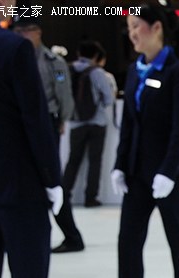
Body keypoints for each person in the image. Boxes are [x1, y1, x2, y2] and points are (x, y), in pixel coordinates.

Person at [104, 1, 179, 278]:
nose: (131, 34)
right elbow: (129, 124)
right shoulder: (134, 70)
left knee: (177, 240)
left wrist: (168, 171)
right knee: (127, 244)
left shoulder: (177, 73)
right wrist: (119, 165)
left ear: (156, 28)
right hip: (136, 175)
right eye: (128, 28)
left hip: (168, 176)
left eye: (136, 27)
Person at [0, 0, 63, 278]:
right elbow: (35, 119)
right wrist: (52, 177)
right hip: (17, 178)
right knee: (29, 267)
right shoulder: (13, 48)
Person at [53, 41, 115, 254]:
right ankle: (91, 197)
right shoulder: (97, 72)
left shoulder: (67, 69)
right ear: (96, 55)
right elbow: (108, 98)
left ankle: (65, 195)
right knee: (95, 160)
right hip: (97, 122)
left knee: (73, 160)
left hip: (75, 122)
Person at [12, 15, 73, 140]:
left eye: (27, 30)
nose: (22, 35)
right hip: (16, 118)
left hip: (46, 117)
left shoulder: (53, 62)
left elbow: (63, 92)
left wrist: (63, 118)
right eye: (18, 31)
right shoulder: (9, 59)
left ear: (38, 32)